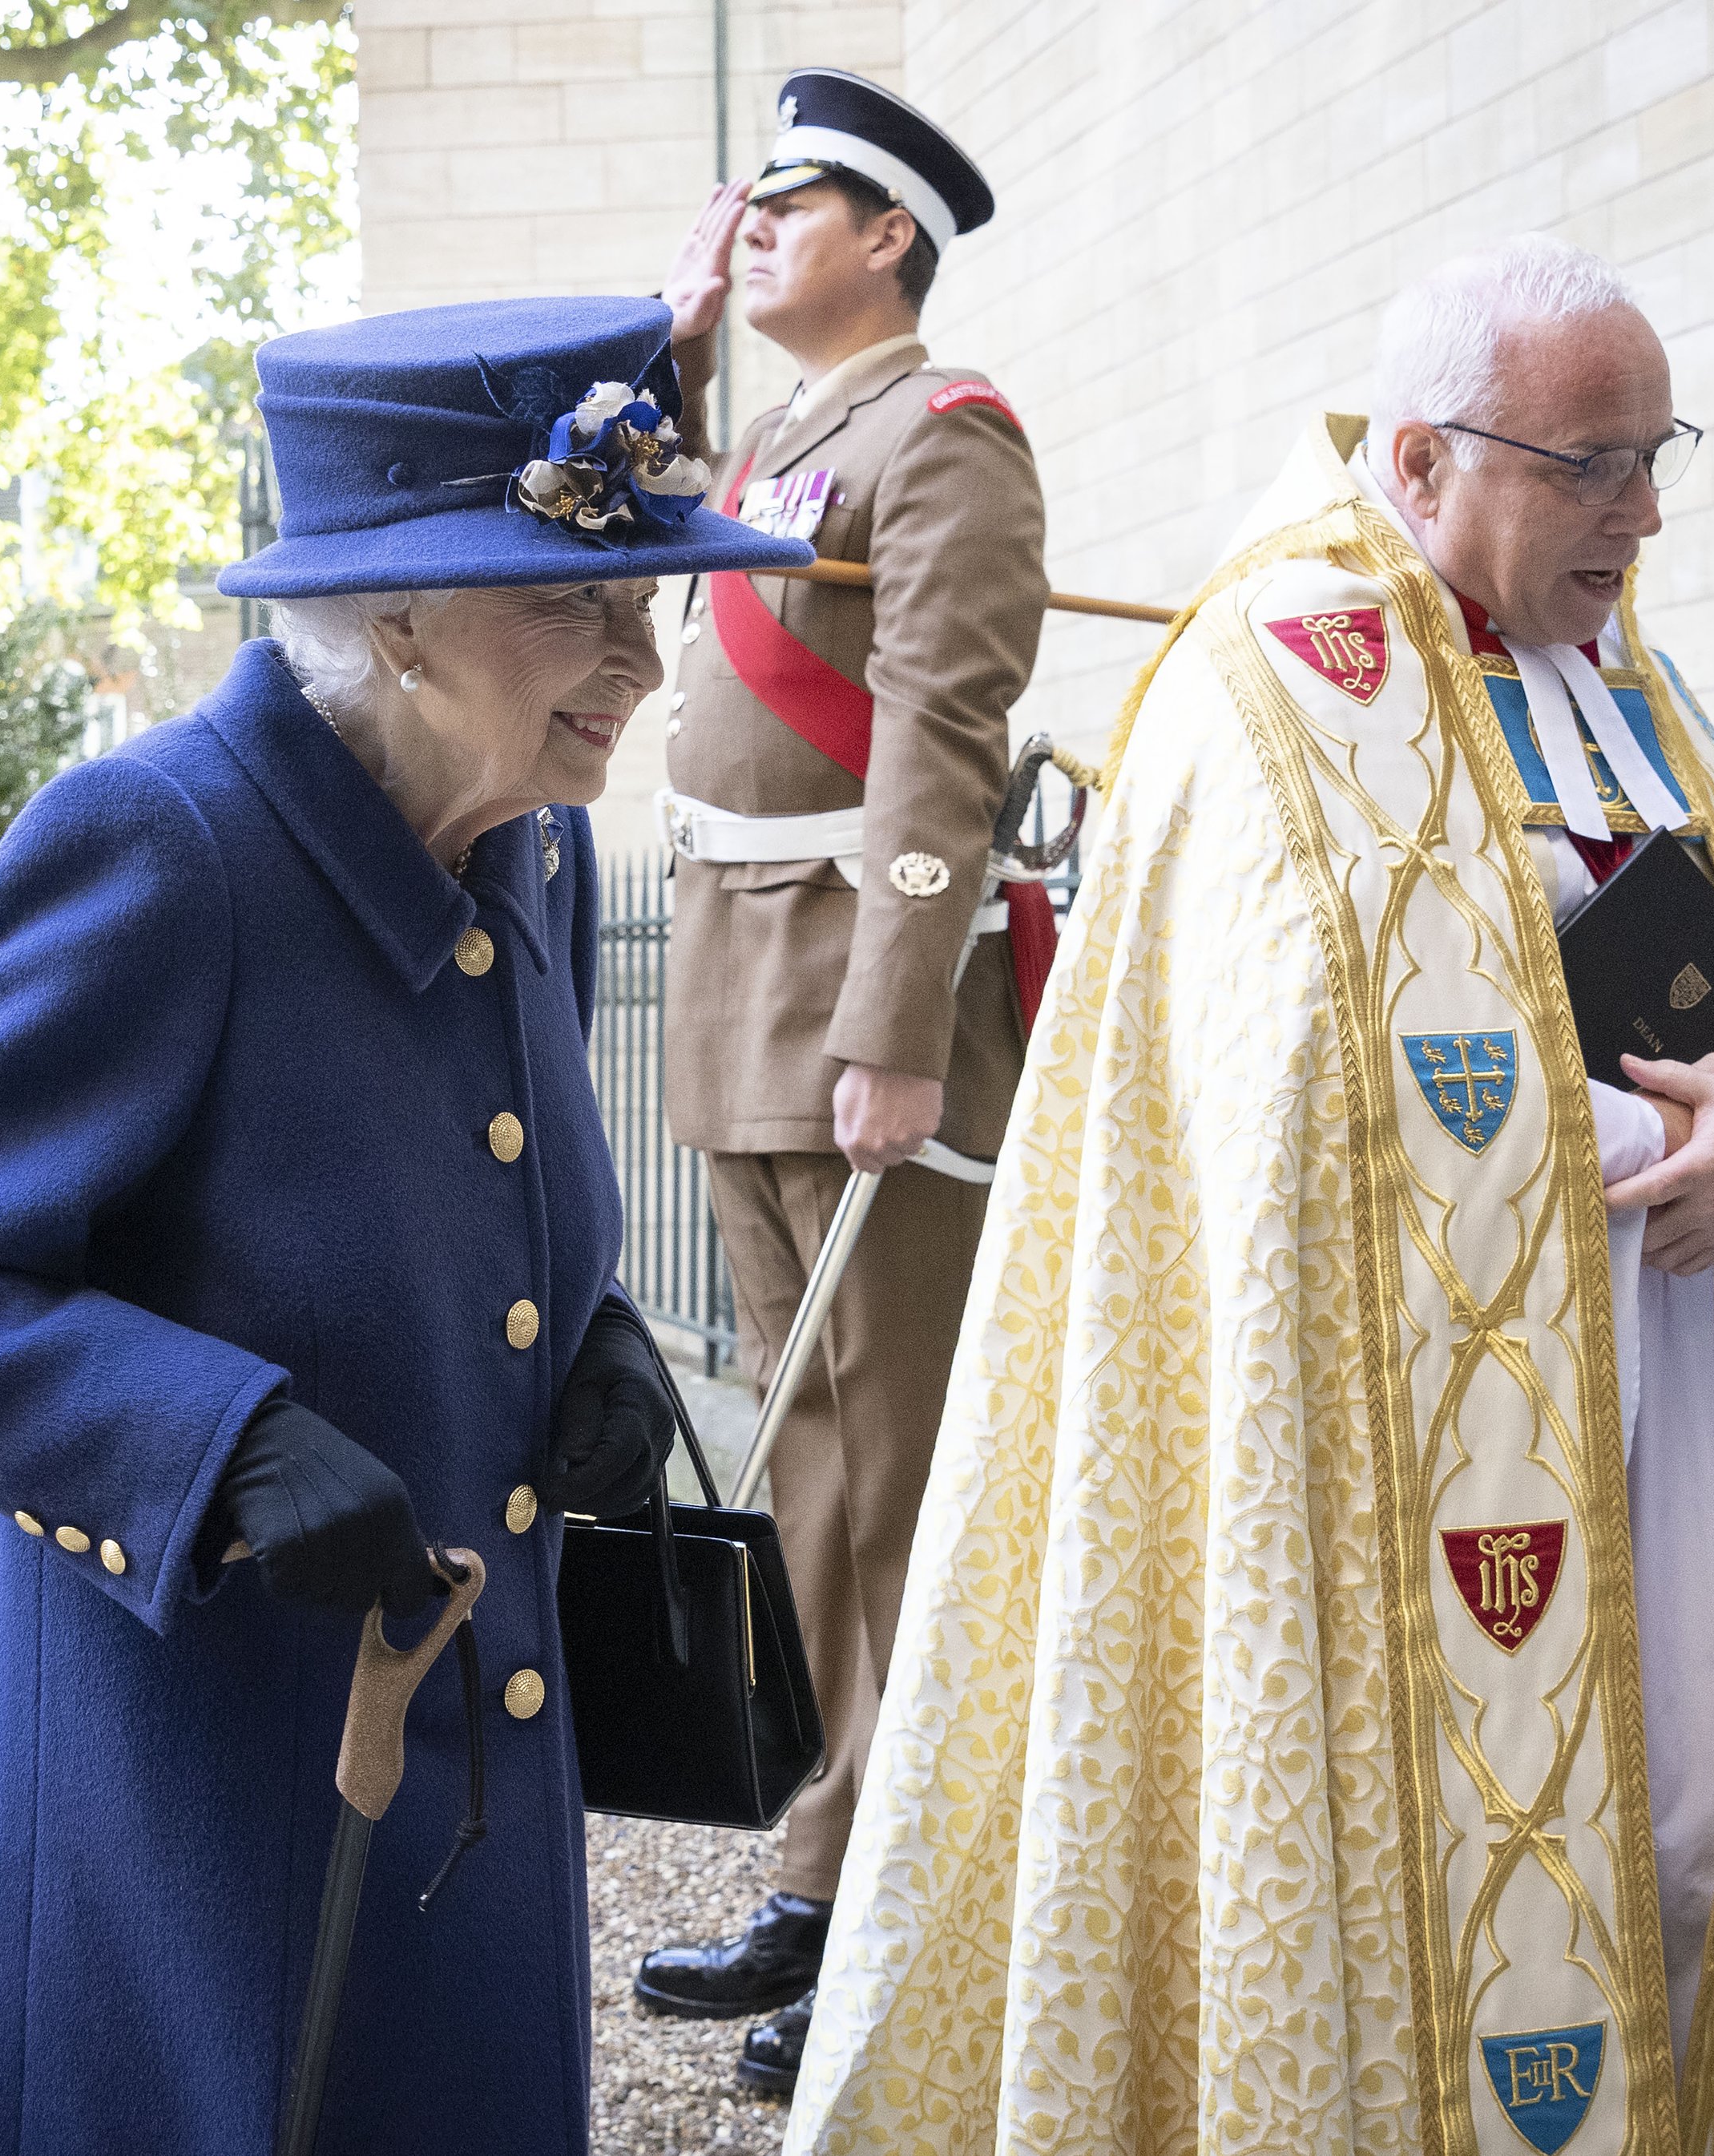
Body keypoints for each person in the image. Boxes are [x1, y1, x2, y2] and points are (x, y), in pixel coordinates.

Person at [785, 237, 1714, 2150]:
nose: (1638, 511)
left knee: (1688, 1835)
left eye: (1654, 454)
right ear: (1416, 461)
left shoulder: (1617, 677)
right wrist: (1645, 1144)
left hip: (1678, 1386)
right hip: (1383, 1473)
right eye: (1586, 465)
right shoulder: (1260, 683)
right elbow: (1293, 1102)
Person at [0, 297, 812, 2154]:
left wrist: (588, 1330)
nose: (642, 662)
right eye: (576, 603)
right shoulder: (159, 844)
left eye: (647, 599)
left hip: (471, 1767)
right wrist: (216, 1437)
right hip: (213, 1795)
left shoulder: (535, 841)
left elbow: (482, 1183)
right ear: (396, 613)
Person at [630, 68, 1051, 2101]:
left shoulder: (943, 432)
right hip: (736, 993)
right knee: (809, 1458)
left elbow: (937, 740)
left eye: (785, 204)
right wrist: (672, 336)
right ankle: (828, 1856)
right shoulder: (766, 438)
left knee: (901, 1473)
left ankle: (916, 1899)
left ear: (888, 233)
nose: (752, 225)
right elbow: (589, 505)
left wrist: (893, 1026)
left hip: (858, 1012)